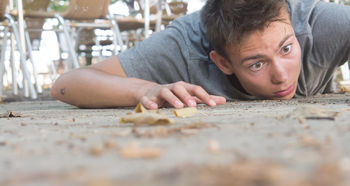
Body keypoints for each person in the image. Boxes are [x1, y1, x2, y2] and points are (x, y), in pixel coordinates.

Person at [51, 0, 350, 109]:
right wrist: (147, 89)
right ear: (222, 62)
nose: (282, 75)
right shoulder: (182, 46)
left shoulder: (320, 22)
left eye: (286, 49)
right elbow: (68, 84)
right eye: (256, 63)